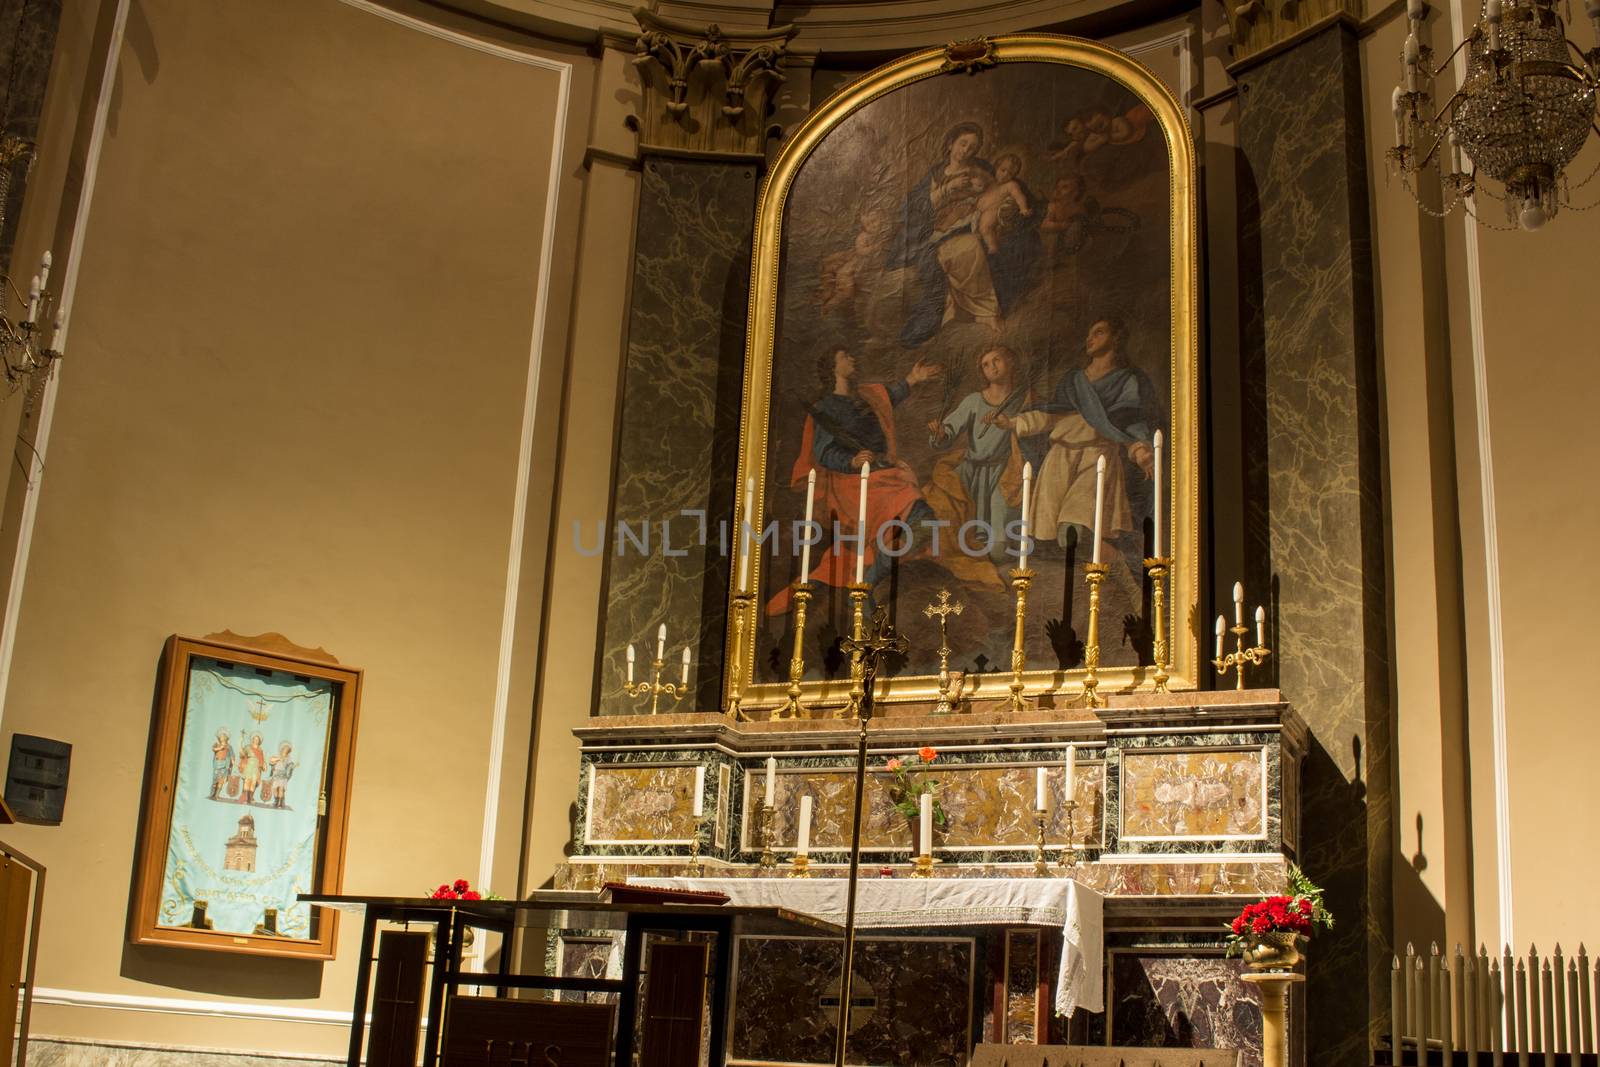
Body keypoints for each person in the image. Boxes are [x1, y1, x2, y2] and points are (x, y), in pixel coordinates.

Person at [770, 345, 941, 611]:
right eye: (844, 356)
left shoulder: (866, 396)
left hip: (884, 476)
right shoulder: (826, 407)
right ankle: (866, 586)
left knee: (923, 526)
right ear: (833, 368)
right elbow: (823, 451)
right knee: (922, 518)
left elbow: (887, 397)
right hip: (852, 483)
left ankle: (866, 583)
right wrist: (851, 460)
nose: (852, 358)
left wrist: (913, 379)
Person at [993, 317, 1163, 559]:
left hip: (1097, 458)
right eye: (1089, 333)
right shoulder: (1074, 381)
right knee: (1054, 536)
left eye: (1099, 333)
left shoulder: (1127, 381)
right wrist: (1014, 422)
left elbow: (1130, 421)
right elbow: (1053, 415)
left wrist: (1140, 450)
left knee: (1074, 530)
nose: (1089, 338)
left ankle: (1124, 577)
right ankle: (1099, 584)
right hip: (1060, 457)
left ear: (1115, 338)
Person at [924, 345, 1031, 557]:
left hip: (1005, 473)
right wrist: (941, 433)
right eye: (985, 364)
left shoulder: (1024, 399)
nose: (992, 367)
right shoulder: (974, 401)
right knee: (943, 512)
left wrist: (1010, 424)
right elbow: (949, 431)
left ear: (1011, 362)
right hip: (970, 472)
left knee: (999, 547)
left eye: (996, 360)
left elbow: (1034, 432)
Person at [972, 154, 1032, 255]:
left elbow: (1019, 196)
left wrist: (1023, 208)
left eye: (1010, 174)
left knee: (985, 227)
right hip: (978, 210)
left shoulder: (1011, 185)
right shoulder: (991, 182)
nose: (1005, 175)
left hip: (992, 211)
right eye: (1003, 170)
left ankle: (992, 246)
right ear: (996, 167)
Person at [237, 732, 267, 804]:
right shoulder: (248, 747)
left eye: (257, 739)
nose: (256, 740)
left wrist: (264, 764)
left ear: (259, 741)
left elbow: (262, 759)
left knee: (253, 783)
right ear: (252, 740)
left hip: (256, 768)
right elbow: (242, 754)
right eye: (255, 739)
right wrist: (240, 743)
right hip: (249, 766)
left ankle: (250, 798)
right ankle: (245, 798)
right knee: (247, 781)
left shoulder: (260, 750)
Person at [266, 742, 296, 808]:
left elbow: (290, 765)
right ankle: (276, 801)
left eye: (287, 749)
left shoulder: (288, 758)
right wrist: (279, 759)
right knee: (274, 789)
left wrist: (293, 766)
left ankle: (279, 803)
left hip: (283, 775)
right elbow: (271, 760)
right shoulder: (278, 756)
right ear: (282, 749)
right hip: (276, 774)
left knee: (281, 789)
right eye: (285, 748)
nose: (285, 750)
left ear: (288, 751)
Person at [209, 728, 233, 800]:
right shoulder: (217, 744)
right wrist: (220, 748)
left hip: (225, 764)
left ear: (226, 738)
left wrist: (232, 761)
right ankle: (212, 793)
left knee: (221, 780)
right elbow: (213, 749)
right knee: (215, 780)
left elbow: (232, 755)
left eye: (223, 736)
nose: (222, 738)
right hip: (217, 764)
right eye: (221, 736)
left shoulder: (229, 746)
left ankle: (217, 795)